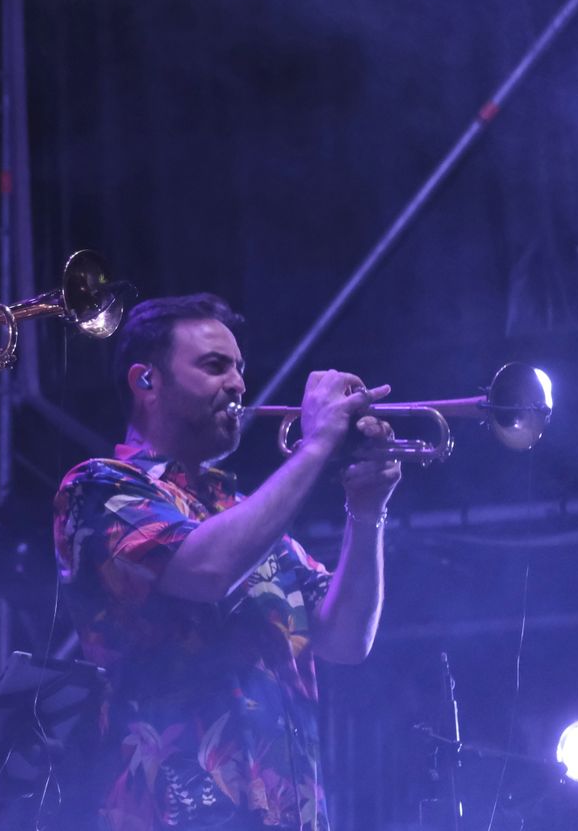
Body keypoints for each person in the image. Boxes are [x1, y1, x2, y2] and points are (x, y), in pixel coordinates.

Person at [53, 293, 399, 831]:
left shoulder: (242, 516)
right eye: (215, 366)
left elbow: (346, 639)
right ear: (146, 381)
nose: (238, 384)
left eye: (239, 369)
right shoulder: (98, 487)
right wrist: (318, 443)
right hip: (172, 813)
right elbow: (207, 571)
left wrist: (367, 511)